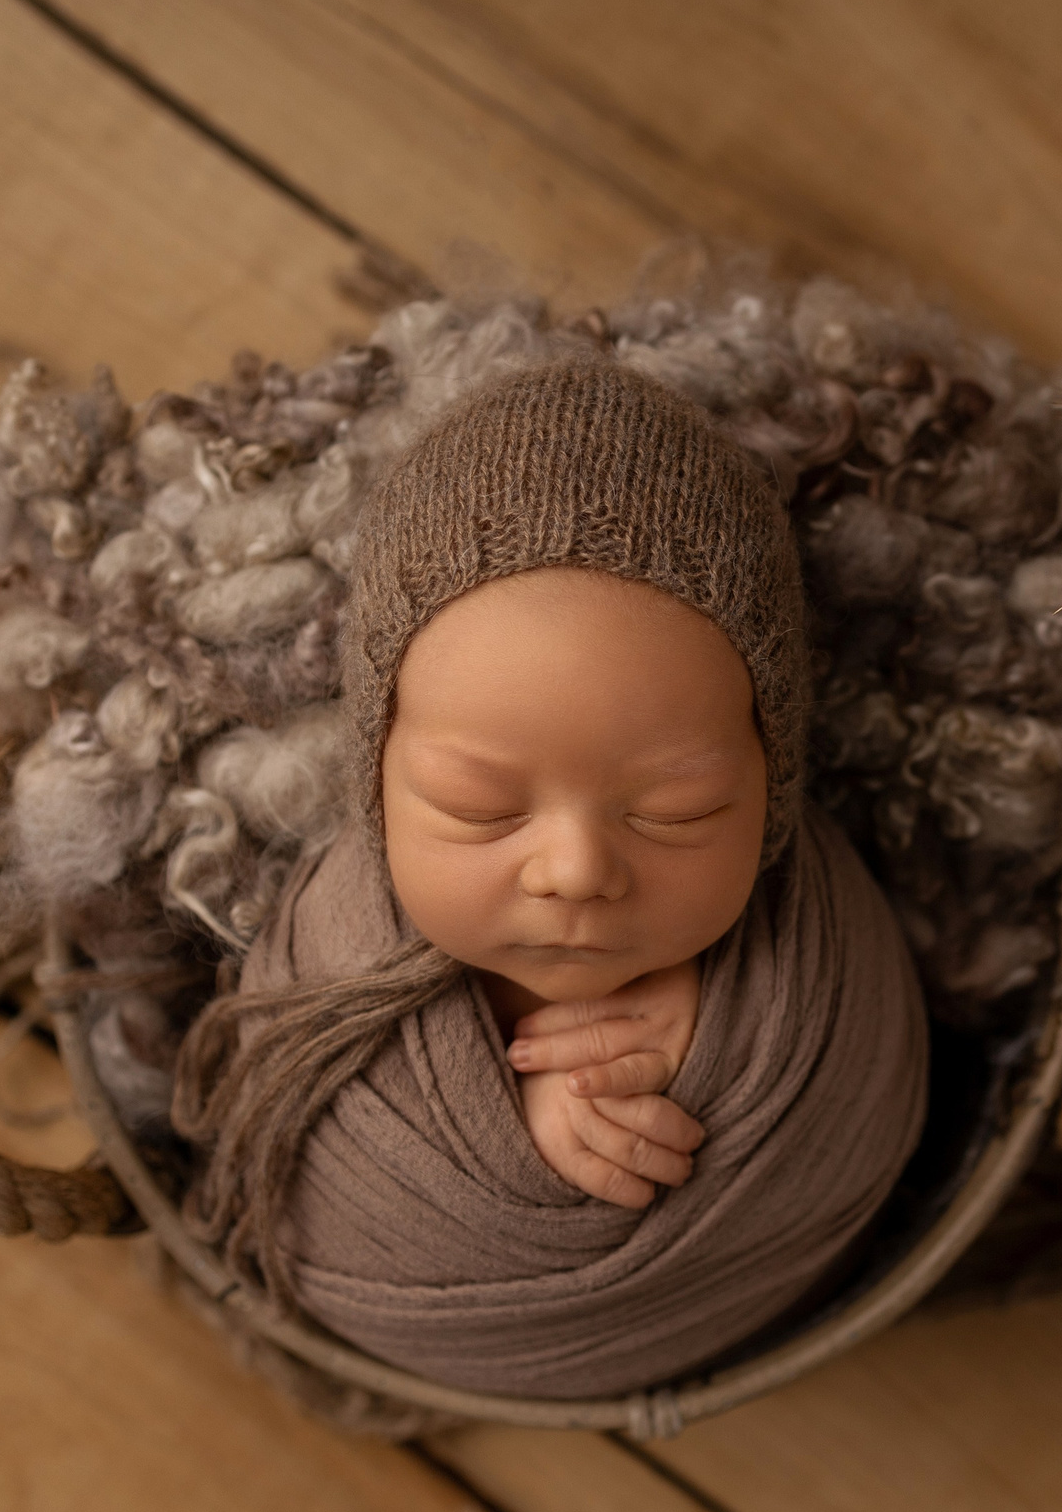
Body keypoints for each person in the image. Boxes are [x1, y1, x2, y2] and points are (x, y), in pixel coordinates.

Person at [175, 356, 929, 1399]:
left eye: (678, 812)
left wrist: (714, 1041)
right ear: (372, 781)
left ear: (775, 786)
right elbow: (280, 1127)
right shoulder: (327, 950)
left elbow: (862, 1092)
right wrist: (510, 1122)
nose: (576, 871)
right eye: (479, 807)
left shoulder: (822, 962)